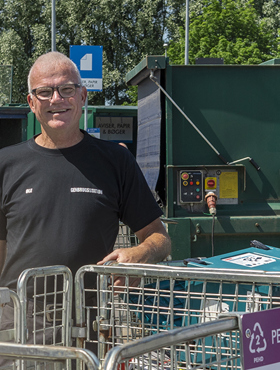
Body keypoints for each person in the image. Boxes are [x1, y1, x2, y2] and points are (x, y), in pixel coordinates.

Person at [0, 51, 170, 347]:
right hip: (16, 329)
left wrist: (140, 254)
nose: (56, 99)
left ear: (82, 95)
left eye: (66, 89)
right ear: (31, 102)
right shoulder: (6, 164)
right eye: (44, 92)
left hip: (86, 328)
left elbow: (159, 237)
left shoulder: (115, 161)